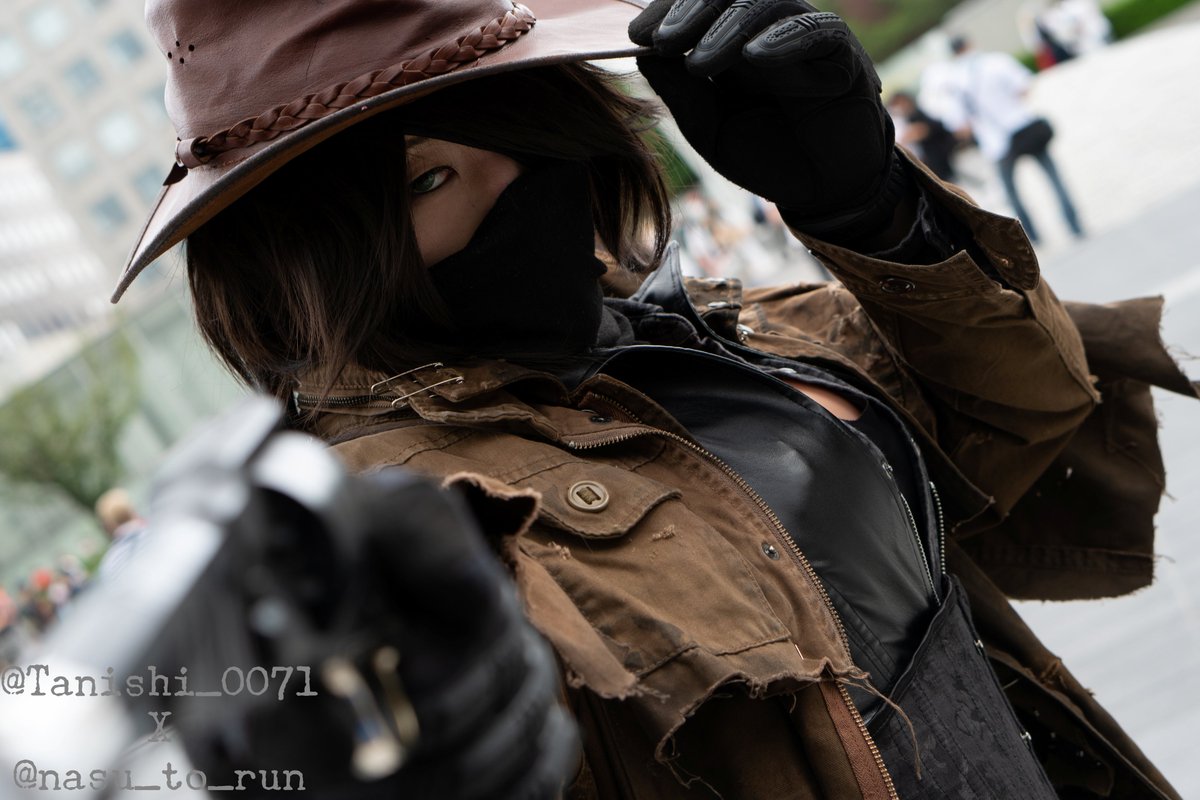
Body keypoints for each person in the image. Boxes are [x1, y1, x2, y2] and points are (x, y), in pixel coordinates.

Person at [109, 0, 1191, 797]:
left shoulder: (694, 327)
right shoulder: (389, 519)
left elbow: (1026, 420)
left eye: (515, 133)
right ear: (302, 251)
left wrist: (870, 207)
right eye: (425, 180)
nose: (519, 186)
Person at [930, 34, 1085, 244]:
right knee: (1054, 178)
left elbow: (959, 126)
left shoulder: (954, 81)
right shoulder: (996, 61)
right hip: (1023, 128)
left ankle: (1032, 238)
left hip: (996, 142)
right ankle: (1074, 226)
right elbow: (1024, 87)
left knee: (1012, 192)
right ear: (969, 44)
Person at [886, 89, 959, 181]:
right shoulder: (902, 120)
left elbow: (937, 128)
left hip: (941, 163)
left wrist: (924, 130)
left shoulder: (918, 115)